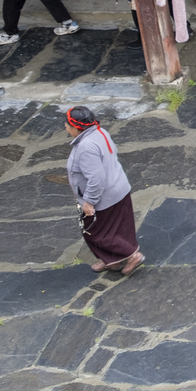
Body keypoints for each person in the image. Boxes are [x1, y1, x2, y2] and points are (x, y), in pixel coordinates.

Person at [65, 106, 143, 276]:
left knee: (96, 233)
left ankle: (132, 256)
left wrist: (89, 202)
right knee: (119, 228)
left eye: (67, 124)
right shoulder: (100, 132)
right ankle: (112, 261)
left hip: (104, 198)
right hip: (118, 189)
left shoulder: (86, 147)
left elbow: (96, 178)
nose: (65, 127)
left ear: (76, 127)